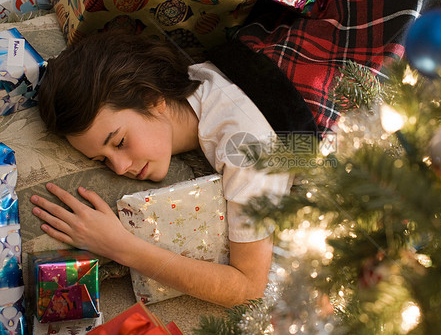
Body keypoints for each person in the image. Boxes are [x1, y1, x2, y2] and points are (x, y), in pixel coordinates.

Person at [30, 31, 293, 308]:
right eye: (101, 160)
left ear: (153, 99)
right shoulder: (201, 84)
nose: (119, 168)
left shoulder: (247, 151)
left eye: (120, 142)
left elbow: (249, 289)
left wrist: (120, 246)